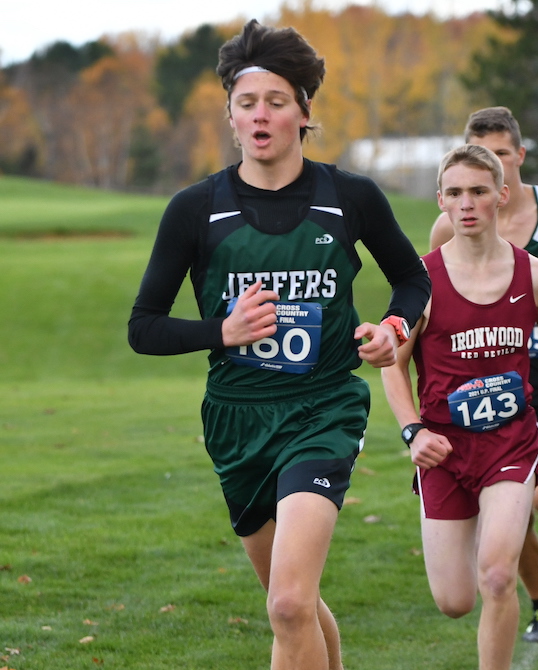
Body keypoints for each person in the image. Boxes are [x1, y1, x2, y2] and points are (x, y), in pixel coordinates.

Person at [127, 20, 430, 670]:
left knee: (289, 605)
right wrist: (222, 331)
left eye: (275, 101)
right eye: (246, 102)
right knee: (293, 601)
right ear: (230, 116)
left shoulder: (348, 197)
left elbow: (412, 279)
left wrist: (392, 330)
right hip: (236, 420)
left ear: (303, 112)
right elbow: (143, 327)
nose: (260, 115)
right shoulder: (194, 209)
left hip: (323, 410)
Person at [381, 144, 538, 670]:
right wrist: (413, 433)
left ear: (502, 194)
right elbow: (392, 366)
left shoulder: (535, 275)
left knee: (497, 576)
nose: (467, 203)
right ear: (440, 201)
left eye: (477, 191)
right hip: (444, 450)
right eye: (455, 193)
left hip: (511, 442)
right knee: (455, 601)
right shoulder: (419, 281)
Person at [429, 107, 538, 643]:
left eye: (498, 156)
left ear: (514, 163)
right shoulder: (446, 229)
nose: (469, 197)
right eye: (458, 188)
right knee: (494, 547)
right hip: (478, 385)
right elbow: (435, 311)